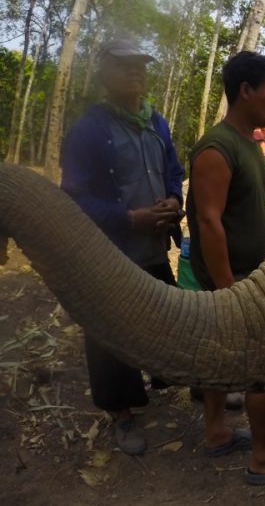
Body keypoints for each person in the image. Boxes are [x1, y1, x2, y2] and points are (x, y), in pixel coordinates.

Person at [185, 51, 265, 485]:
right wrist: (228, 289)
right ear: (245, 91)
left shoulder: (250, 141)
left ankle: (217, 432)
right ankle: (264, 459)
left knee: (220, 358)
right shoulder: (217, 149)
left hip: (248, 277)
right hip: (234, 283)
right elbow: (207, 221)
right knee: (263, 370)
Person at [60, 38, 185, 456]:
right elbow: (73, 197)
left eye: (142, 65)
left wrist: (174, 199)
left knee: (167, 313)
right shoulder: (90, 129)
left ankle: (165, 373)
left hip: (151, 248)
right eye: (125, 65)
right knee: (109, 332)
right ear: (104, 73)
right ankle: (121, 411)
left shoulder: (157, 122)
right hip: (110, 251)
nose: (136, 71)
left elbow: (173, 169)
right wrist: (127, 217)